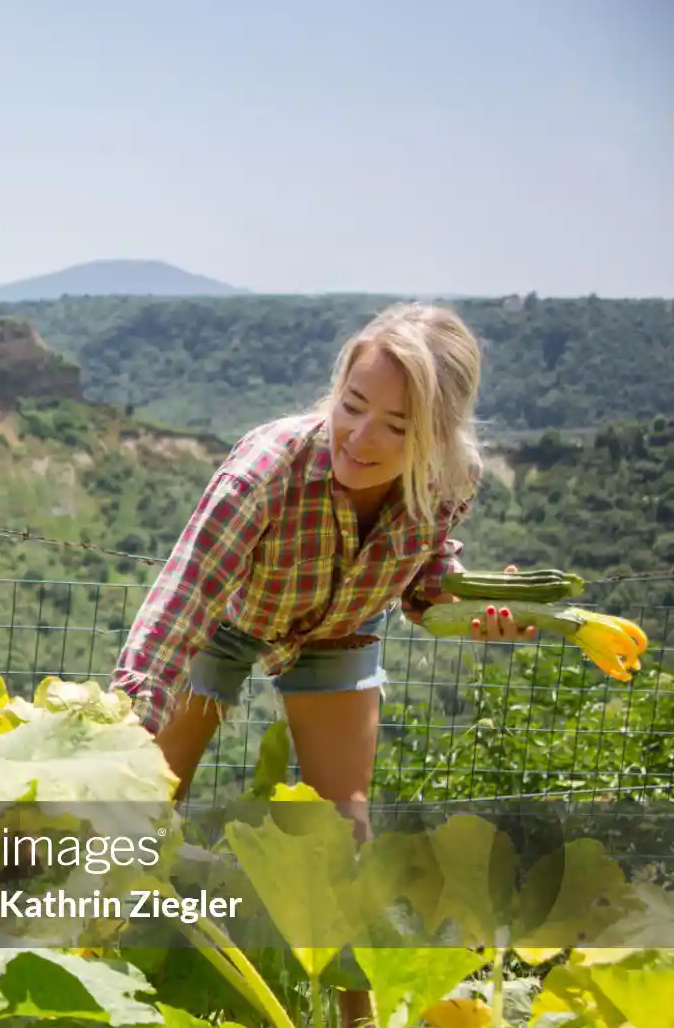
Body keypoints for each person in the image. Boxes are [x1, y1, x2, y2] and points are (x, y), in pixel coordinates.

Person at [111, 301, 535, 817]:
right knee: (147, 800)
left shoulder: (450, 479)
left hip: (341, 629)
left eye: (396, 426)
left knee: (345, 821)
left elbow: (424, 582)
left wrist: (474, 605)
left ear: (439, 435)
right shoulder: (264, 471)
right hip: (224, 620)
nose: (359, 438)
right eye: (352, 405)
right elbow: (184, 600)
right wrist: (128, 723)